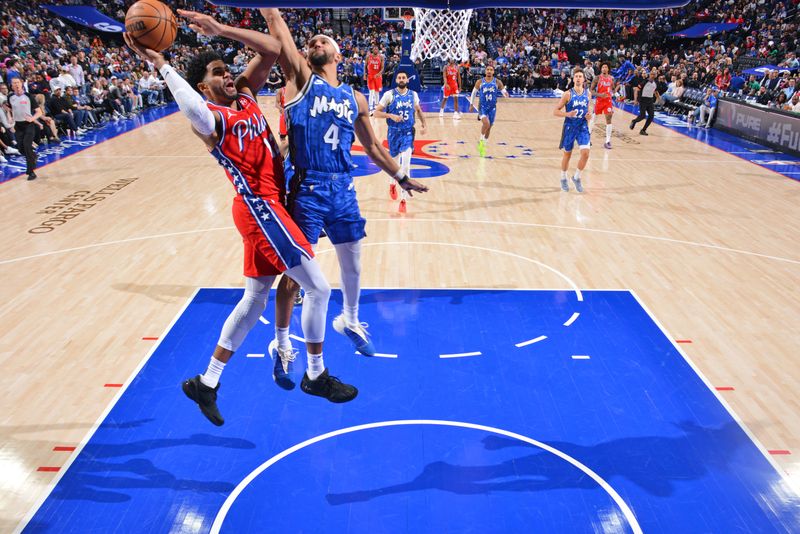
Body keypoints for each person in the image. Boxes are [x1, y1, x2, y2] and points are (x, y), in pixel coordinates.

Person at [124, 9, 359, 426]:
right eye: (218, 73)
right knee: (319, 290)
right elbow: (195, 112)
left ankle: (207, 382)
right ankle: (316, 374)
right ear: (202, 86)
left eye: (227, 69)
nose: (228, 76)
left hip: (269, 207)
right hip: (259, 207)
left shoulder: (246, 96)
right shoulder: (213, 121)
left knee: (254, 299)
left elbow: (273, 49)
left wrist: (220, 30)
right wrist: (163, 66)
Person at [260, 7, 428, 359]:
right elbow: (277, 26)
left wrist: (400, 176)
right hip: (307, 188)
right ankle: (282, 339)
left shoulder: (357, 98)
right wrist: (269, 9)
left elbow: (373, 147)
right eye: (311, 42)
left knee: (353, 262)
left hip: (343, 188)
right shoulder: (301, 79)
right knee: (296, 274)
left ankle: (349, 319)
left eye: (323, 40)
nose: (314, 41)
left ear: (338, 54)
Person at [374, 71, 428, 212]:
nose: (402, 79)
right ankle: (392, 183)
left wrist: (424, 124)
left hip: (408, 133)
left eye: (404, 77)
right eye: (399, 77)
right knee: (395, 164)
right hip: (393, 133)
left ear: (407, 80)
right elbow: (376, 113)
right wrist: (390, 115)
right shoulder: (389, 95)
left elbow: (418, 110)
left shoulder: (413, 95)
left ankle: (403, 199)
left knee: (406, 165)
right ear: (396, 80)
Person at [554, 68, 592, 193]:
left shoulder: (588, 94)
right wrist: (567, 114)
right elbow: (556, 111)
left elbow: (588, 109)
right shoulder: (567, 94)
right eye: (576, 76)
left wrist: (589, 115)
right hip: (570, 127)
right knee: (567, 154)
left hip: (582, 126)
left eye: (580, 76)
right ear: (573, 78)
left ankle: (576, 177)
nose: (578, 78)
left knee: (586, 153)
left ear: (584, 79)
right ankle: (563, 178)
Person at [468, 64, 508, 157]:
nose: (489, 71)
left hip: (492, 108)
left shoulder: (497, 82)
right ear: (485, 71)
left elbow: (503, 91)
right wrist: (471, 104)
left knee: (489, 128)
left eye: (491, 69)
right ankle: (481, 141)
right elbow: (474, 93)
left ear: (493, 71)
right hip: (482, 107)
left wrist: (505, 93)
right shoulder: (479, 82)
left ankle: (484, 144)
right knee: (486, 124)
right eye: (488, 69)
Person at [8, 77, 42, 180]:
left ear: (21, 84)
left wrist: (32, 119)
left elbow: (39, 112)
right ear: (12, 85)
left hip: (28, 125)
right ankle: (34, 156)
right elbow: (10, 109)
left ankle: (31, 172)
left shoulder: (28, 96)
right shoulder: (10, 97)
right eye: (14, 83)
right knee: (20, 148)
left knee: (27, 146)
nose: (16, 85)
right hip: (18, 125)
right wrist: (10, 117)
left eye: (18, 82)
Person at [590, 62, 616, 149]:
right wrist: (600, 95)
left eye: (605, 67)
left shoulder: (611, 78)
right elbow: (591, 90)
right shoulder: (597, 78)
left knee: (609, 119)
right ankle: (587, 138)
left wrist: (616, 94)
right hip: (599, 101)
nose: (604, 69)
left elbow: (612, 89)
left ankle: (607, 141)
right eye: (603, 67)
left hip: (608, 101)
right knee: (594, 119)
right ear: (601, 69)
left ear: (608, 69)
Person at [630, 69, 659, 136]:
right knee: (642, 116)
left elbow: (656, 91)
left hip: (650, 100)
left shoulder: (655, 83)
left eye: (654, 74)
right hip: (643, 100)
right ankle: (634, 121)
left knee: (651, 116)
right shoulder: (644, 82)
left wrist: (658, 98)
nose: (653, 75)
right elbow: (636, 90)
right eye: (652, 74)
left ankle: (643, 130)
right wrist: (635, 100)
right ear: (649, 75)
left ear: (656, 75)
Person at [365, 45, 384, 113]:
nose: (375, 50)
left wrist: (379, 74)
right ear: (372, 50)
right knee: (371, 92)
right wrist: (365, 74)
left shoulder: (381, 57)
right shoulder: (368, 57)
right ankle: (370, 106)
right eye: (374, 49)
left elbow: (382, 68)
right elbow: (365, 66)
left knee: (377, 92)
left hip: (378, 77)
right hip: (370, 76)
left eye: (376, 49)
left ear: (378, 50)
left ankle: (376, 106)